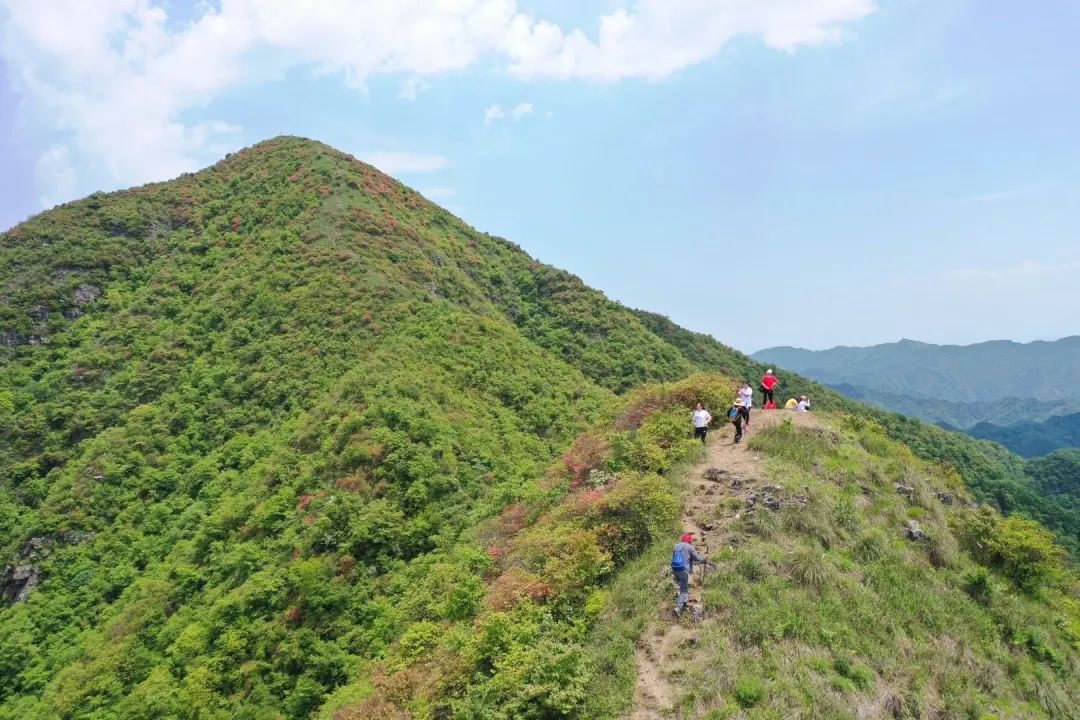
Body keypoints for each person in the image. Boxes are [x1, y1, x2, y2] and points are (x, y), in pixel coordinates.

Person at [671, 532, 705, 617]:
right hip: (683, 571)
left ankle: (683, 603)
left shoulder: (676, 546)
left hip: (675, 569)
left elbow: (673, 557)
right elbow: (697, 558)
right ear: (689, 541)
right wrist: (704, 558)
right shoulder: (690, 547)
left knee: (681, 586)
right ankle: (678, 608)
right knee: (684, 591)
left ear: (682, 539)